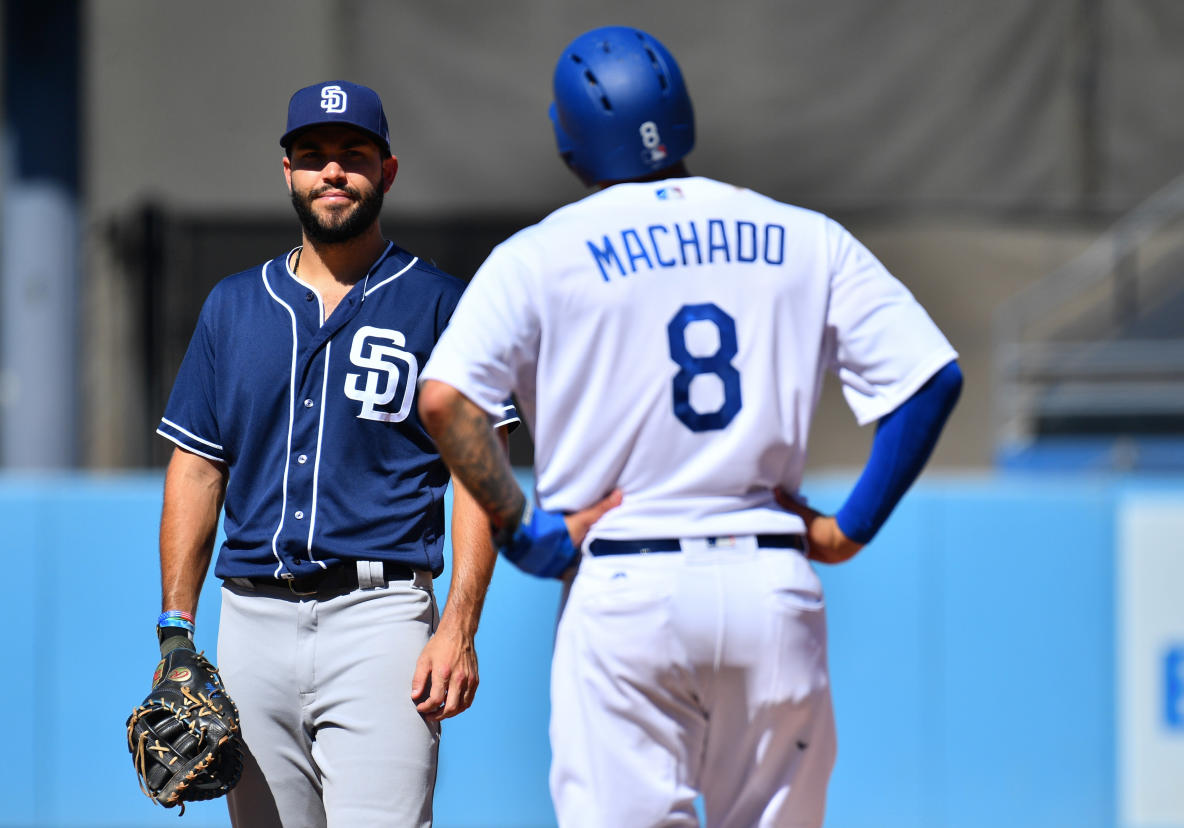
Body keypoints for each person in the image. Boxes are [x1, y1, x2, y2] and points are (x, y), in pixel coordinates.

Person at [418, 25, 962, 828]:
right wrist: (850, 527)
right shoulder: (804, 237)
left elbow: (445, 401)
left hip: (625, 586)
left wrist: (526, 528)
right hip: (770, 585)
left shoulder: (541, 255)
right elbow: (929, 379)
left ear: (568, 139)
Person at [153, 80, 512, 828]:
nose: (333, 172)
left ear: (387, 171)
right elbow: (197, 468)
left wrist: (458, 626)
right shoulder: (233, 305)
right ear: (287, 172)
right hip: (250, 622)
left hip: (381, 621)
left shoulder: (444, 304)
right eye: (312, 156)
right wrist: (177, 632)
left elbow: (479, 481)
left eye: (353, 155)